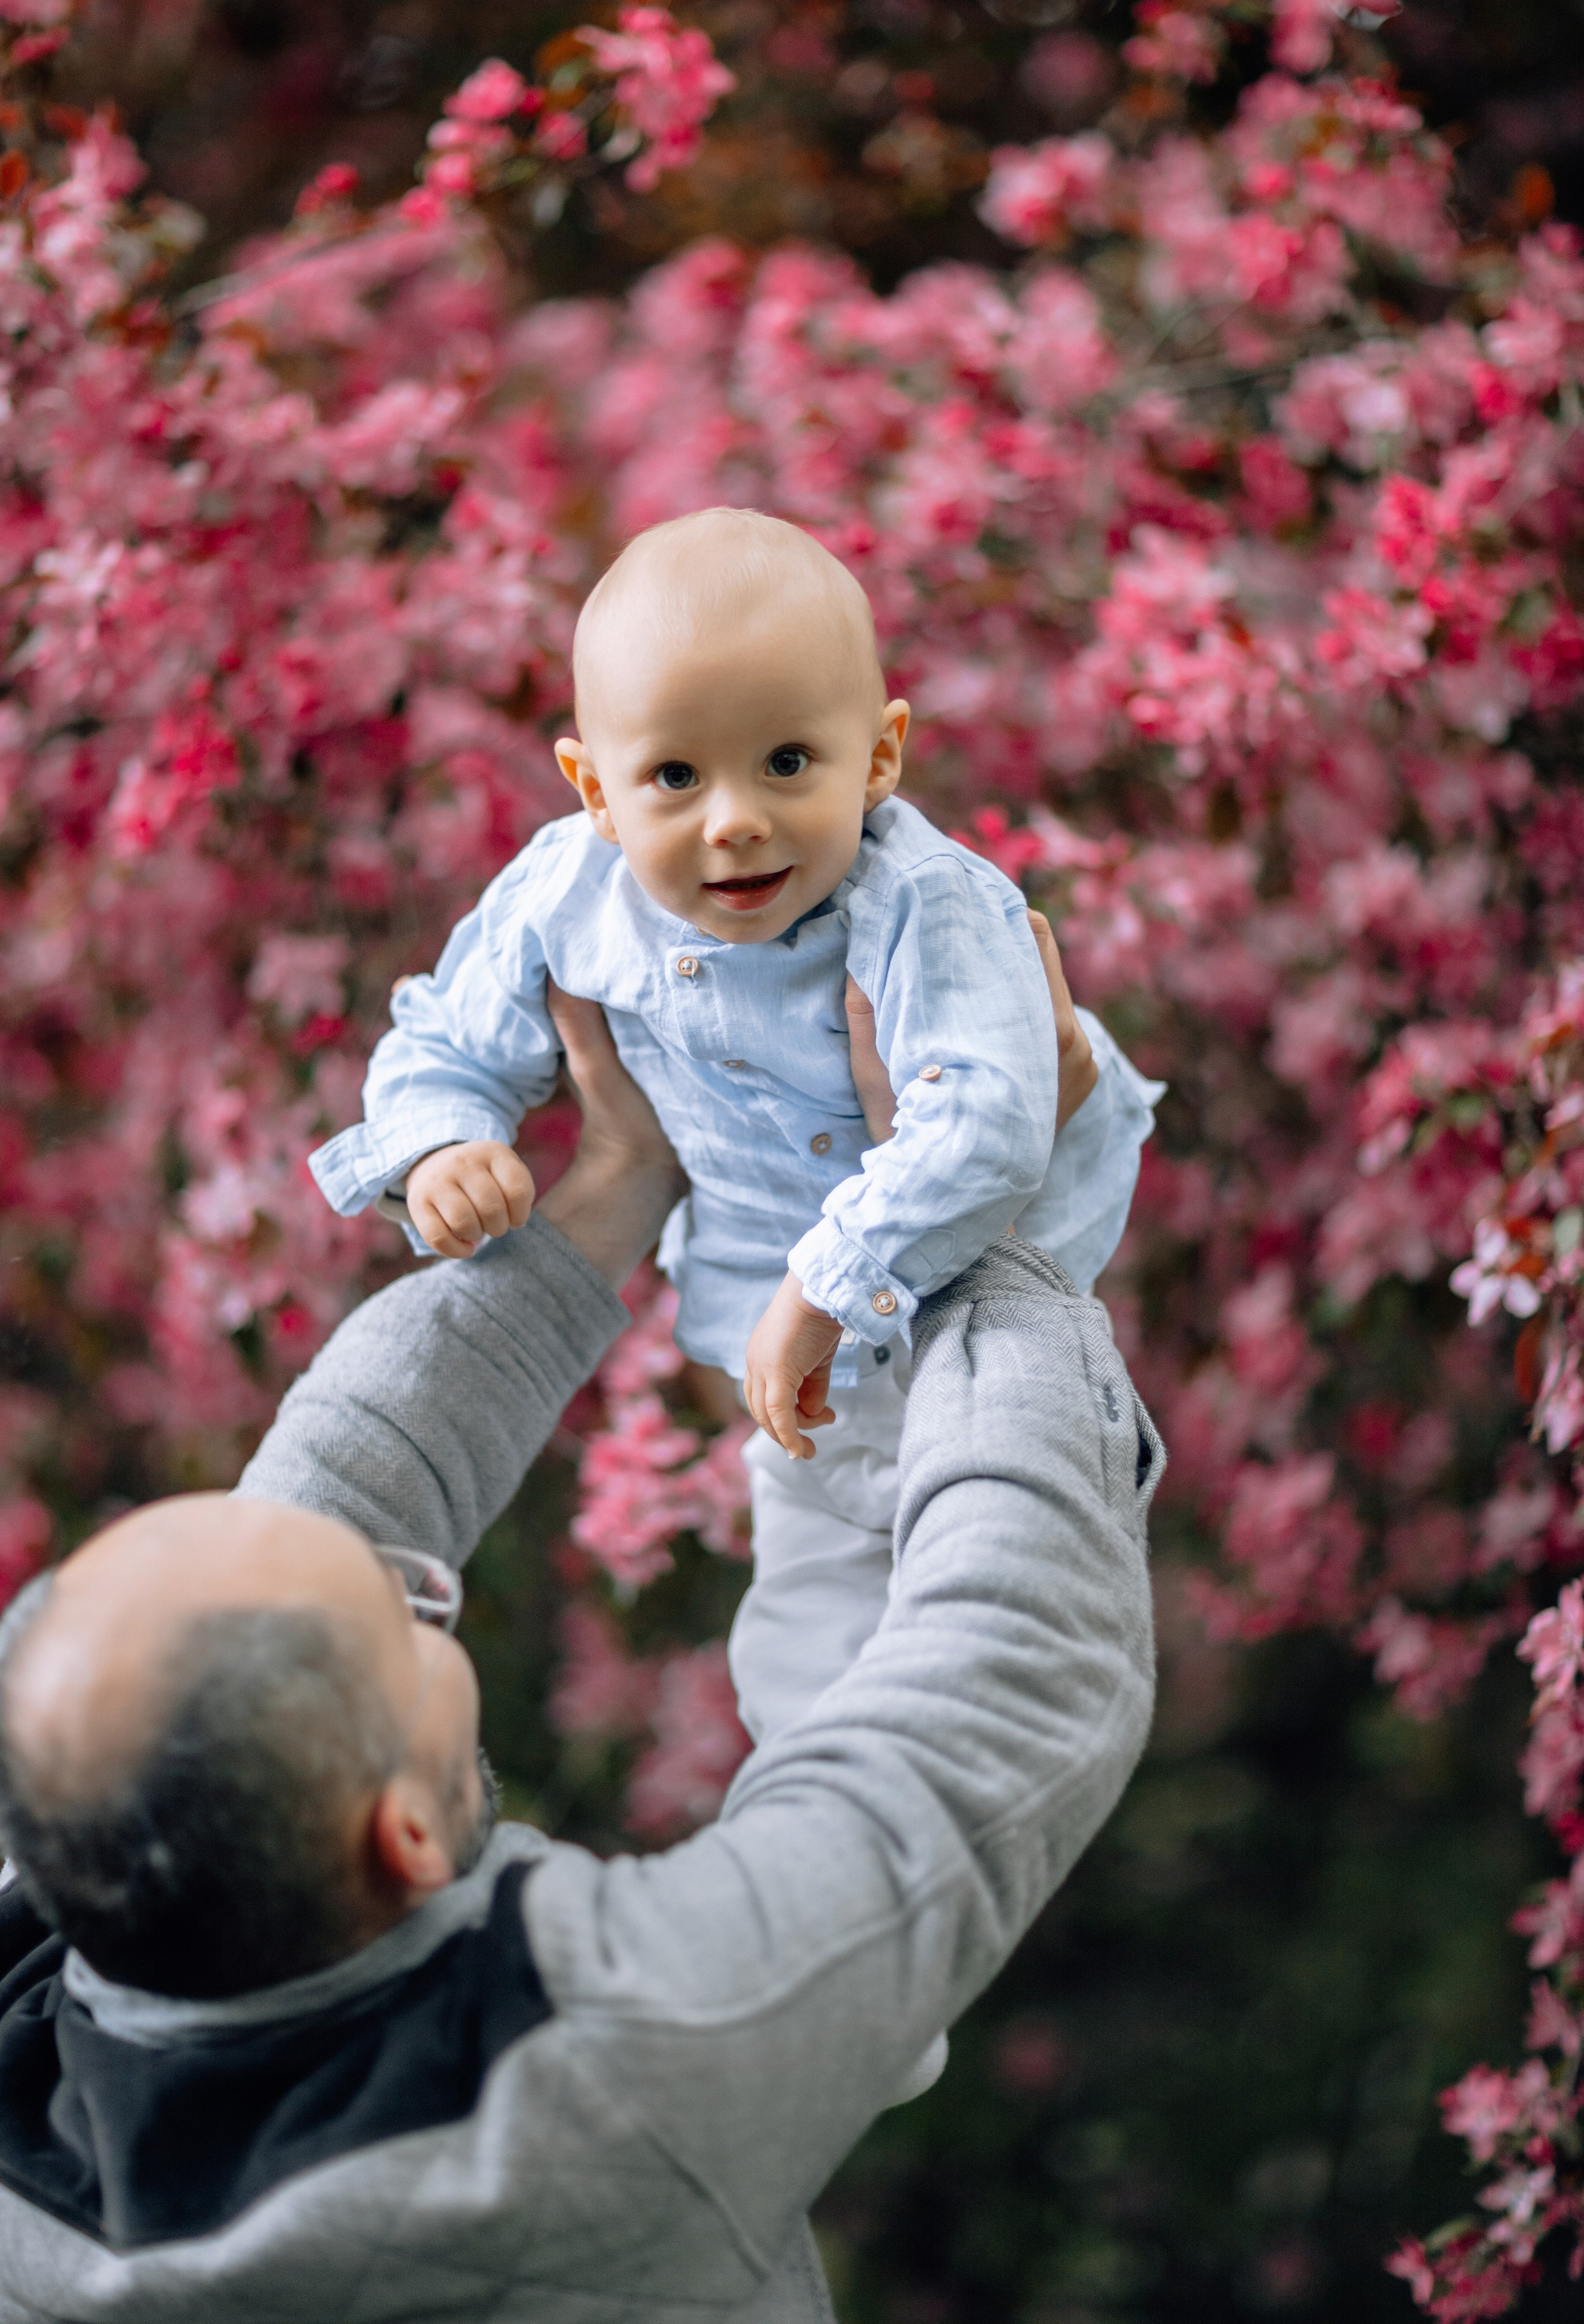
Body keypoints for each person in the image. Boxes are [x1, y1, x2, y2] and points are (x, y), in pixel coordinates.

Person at [0, 978, 1163, 2324]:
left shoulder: (20, 2002)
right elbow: (1007, 1668)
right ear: (404, 1835)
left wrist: (616, 1182)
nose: (419, 1583)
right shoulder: (616, 2062)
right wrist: (978, 1224)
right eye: (408, 1621)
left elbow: (326, 1496)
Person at [310, 507, 1162, 1760]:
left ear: (876, 760)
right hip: (785, 1333)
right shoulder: (566, 892)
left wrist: (832, 1279)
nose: (733, 821)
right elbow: (440, 1039)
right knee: (799, 1655)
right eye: (673, 777)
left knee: (999, 1561)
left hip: (978, 1271)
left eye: (784, 764)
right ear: (594, 788)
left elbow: (985, 1123)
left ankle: (1018, 1651)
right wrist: (444, 1144)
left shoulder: (921, 899)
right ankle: (826, 1835)